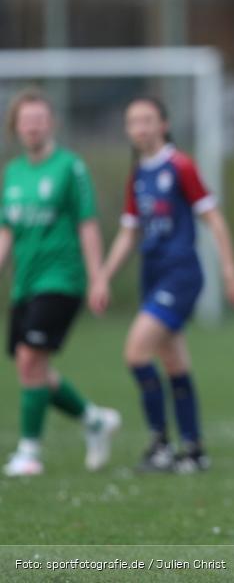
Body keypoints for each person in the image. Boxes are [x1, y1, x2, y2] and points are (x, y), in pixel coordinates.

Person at [91, 96, 234, 473]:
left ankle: (160, 446)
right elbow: (129, 233)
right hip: (153, 274)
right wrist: (103, 277)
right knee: (173, 360)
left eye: (147, 120)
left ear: (163, 124)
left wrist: (230, 271)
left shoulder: (180, 166)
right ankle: (193, 450)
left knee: (136, 353)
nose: (140, 128)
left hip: (180, 274)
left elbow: (213, 219)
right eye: (133, 122)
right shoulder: (138, 175)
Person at [0, 87, 120, 477]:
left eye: (39, 119)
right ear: (15, 127)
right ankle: (94, 420)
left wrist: (97, 277)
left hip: (61, 278)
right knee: (31, 368)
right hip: (25, 283)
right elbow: (6, 231)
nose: (33, 127)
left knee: (31, 359)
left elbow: (87, 224)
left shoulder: (70, 167)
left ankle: (29, 452)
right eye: (26, 121)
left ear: (52, 123)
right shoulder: (13, 173)